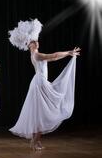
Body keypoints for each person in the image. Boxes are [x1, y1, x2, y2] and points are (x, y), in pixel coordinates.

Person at [8, 19, 80, 150]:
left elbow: (54, 57)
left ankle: (37, 141)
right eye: (33, 42)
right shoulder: (36, 55)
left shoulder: (37, 54)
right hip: (39, 84)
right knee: (42, 112)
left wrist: (67, 55)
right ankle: (34, 141)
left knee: (39, 112)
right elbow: (53, 55)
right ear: (29, 45)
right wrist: (68, 53)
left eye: (36, 41)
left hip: (40, 83)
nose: (36, 43)